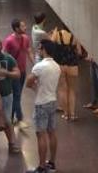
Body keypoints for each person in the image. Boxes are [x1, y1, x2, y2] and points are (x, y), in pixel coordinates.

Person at [26, 40, 61, 173]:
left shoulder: (39, 66)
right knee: (51, 132)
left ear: (44, 50)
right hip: (52, 101)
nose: (38, 51)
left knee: (41, 135)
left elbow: (29, 82)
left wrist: (36, 89)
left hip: (41, 103)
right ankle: (52, 163)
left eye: (40, 48)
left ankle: (41, 167)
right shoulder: (57, 66)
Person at [0, 39, 21, 153]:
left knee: (7, 120)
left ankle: (11, 144)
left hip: (6, 95)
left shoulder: (8, 59)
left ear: (1, 47)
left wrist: (6, 73)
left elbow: (17, 74)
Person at [3, 19, 33, 126]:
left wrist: (34, 64)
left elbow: (29, 51)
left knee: (18, 94)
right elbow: (4, 56)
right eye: (23, 26)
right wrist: (6, 72)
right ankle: (18, 117)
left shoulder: (26, 38)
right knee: (16, 94)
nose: (25, 27)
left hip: (23, 71)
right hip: (14, 73)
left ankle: (12, 116)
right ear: (16, 28)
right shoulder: (9, 41)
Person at [51, 27, 83, 121]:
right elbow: (79, 52)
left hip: (60, 64)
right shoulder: (75, 36)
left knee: (62, 89)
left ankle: (66, 114)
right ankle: (72, 114)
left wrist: (54, 33)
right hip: (72, 65)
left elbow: (51, 45)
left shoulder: (57, 34)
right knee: (72, 90)